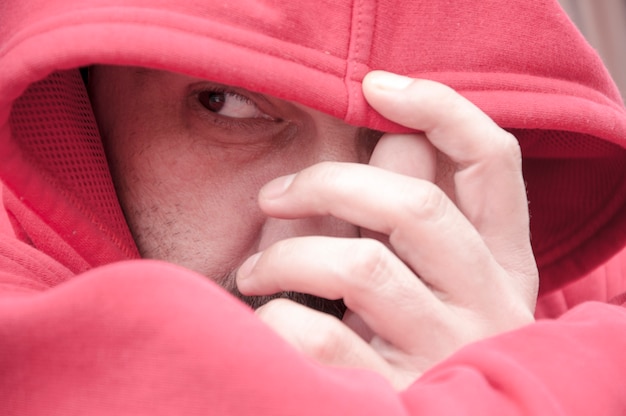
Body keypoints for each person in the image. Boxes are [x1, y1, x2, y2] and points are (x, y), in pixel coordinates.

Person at [0, 1, 625, 415]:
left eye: (409, 139)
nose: (336, 248)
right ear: (79, 87)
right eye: (223, 103)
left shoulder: (561, 286)